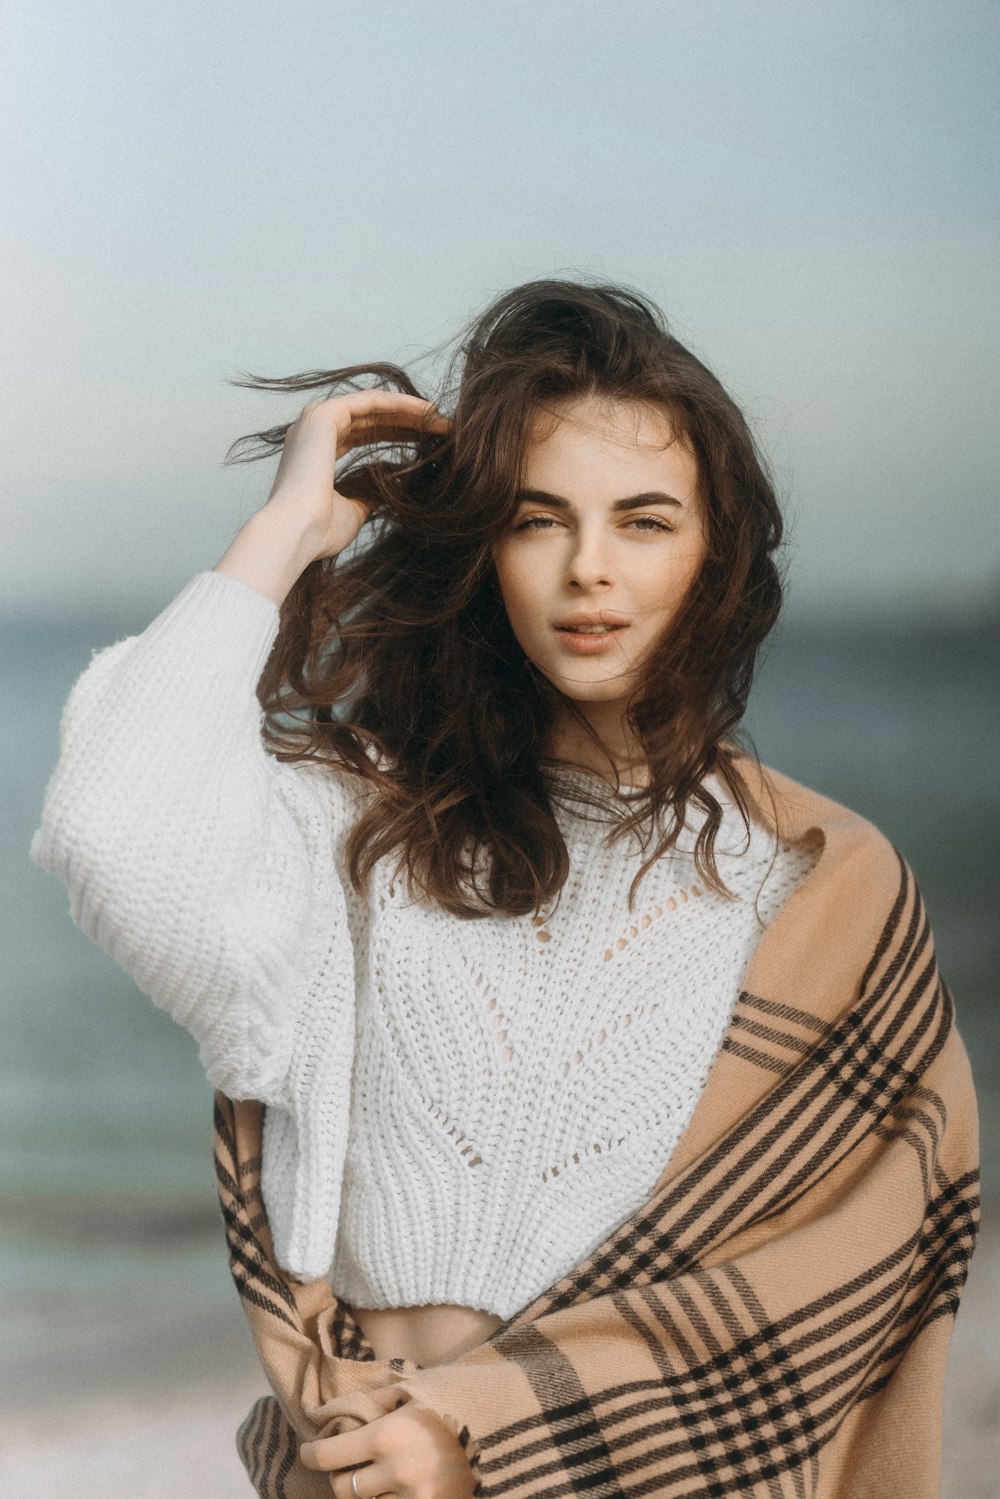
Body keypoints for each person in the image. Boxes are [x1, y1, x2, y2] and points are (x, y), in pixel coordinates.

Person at [31, 280, 977, 1499]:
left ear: (715, 553)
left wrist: (481, 1430)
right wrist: (286, 531)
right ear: (482, 548)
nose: (590, 570)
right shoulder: (363, 823)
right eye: (538, 520)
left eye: (643, 521)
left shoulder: (813, 878)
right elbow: (113, 828)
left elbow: (837, 1279)